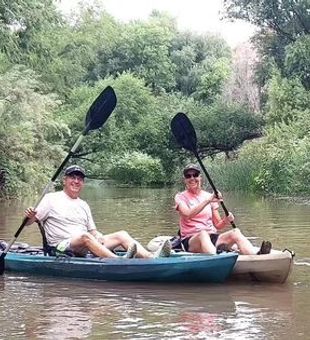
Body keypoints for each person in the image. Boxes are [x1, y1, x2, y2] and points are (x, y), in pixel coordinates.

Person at [25, 165, 171, 259]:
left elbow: (93, 232)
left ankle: (152, 258)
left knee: (121, 234)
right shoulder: (50, 198)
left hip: (85, 243)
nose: (76, 181)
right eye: (72, 177)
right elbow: (29, 222)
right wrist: (29, 216)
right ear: (65, 180)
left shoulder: (83, 204)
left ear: (83, 183)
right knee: (85, 237)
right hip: (61, 247)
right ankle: (118, 262)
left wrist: (99, 237)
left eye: (80, 179)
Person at [174, 164, 272, 255]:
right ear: (185, 179)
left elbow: (218, 225)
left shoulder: (209, 196)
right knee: (203, 234)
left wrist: (226, 220)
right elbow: (187, 215)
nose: (192, 178)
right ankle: (217, 258)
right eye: (188, 176)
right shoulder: (180, 197)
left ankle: (256, 256)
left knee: (235, 232)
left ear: (200, 177)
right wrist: (208, 200)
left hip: (212, 237)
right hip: (191, 240)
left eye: (195, 175)